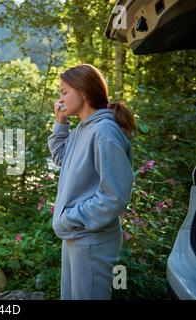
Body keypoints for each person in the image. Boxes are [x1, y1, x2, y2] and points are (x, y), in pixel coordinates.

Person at [47, 64, 137, 300]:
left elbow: (114, 197)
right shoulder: (82, 130)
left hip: (92, 240)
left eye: (64, 92)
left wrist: (70, 218)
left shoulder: (104, 132)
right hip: (77, 236)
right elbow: (61, 159)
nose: (60, 99)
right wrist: (61, 122)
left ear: (84, 92)